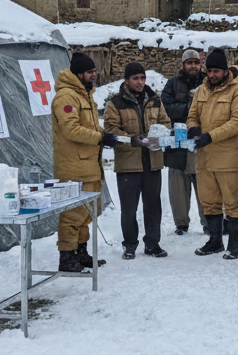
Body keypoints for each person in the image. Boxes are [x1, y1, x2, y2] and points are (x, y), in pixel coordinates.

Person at [51, 52, 118, 272]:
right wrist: (100, 137)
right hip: (74, 166)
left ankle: (81, 252)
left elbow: (89, 127)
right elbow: (70, 130)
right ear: (79, 74)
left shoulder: (84, 95)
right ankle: (66, 256)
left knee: (87, 212)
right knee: (72, 214)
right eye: (90, 72)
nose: (94, 75)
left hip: (89, 165)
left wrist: (104, 134)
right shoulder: (66, 97)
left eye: (94, 71)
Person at [188, 49, 238, 259]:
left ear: (225, 71)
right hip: (205, 157)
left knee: (233, 202)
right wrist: (193, 128)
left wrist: (210, 136)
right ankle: (215, 241)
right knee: (209, 200)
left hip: (228, 157)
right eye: (210, 71)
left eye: (217, 71)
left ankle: (235, 244)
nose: (212, 75)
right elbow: (192, 115)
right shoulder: (201, 91)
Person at [103, 62, 170, 260]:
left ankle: (153, 243)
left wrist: (160, 135)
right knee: (129, 208)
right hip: (128, 163)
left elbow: (165, 122)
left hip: (152, 160)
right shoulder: (115, 103)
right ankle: (130, 244)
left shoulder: (155, 100)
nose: (140, 82)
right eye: (135, 78)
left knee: (153, 205)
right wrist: (131, 139)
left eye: (142, 78)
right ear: (126, 80)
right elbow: (111, 129)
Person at [161, 49, 206, 235]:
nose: (193, 66)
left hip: (201, 139)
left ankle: (208, 220)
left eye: (196, 62)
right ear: (182, 65)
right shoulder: (172, 84)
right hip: (178, 141)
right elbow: (167, 108)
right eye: (189, 63)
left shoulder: (207, 82)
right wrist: (190, 103)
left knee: (204, 183)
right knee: (177, 185)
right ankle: (181, 223)